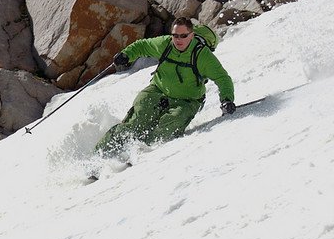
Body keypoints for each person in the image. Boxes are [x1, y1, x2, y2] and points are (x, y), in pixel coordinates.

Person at [94, 17, 235, 159]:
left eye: (183, 36)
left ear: (191, 36)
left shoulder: (203, 56)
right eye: (175, 36)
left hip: (187, 101)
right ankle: (98, 157)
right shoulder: (166, 44)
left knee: (168, 125)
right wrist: (127, 54)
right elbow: (143, 46)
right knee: (135, 122)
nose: (178, 40)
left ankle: (141, 153)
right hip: (158, 90)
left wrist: (227, 100)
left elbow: (222, 79)